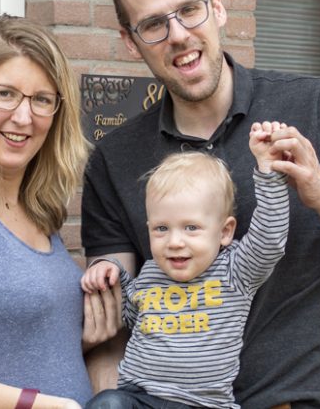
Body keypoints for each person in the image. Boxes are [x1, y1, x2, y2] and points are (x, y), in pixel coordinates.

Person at [81, 0, 320, 409]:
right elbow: (114, 323)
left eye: (189, 10)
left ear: (217, 7)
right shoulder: (114, 158)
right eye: (154, 25)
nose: (179, 35)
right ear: (130, 41)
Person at [0, 15, 120, 409]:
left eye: (42, 100)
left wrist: (82, 337)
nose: (24, 117)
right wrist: (38, 404)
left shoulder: (38, 212)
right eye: (5, 94)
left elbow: (6, 342)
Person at [82, 121, 289, 409]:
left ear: (225, 231)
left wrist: (268, 170)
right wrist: (112, 274)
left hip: (203, 404)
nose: (174, 242)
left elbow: (270, 238)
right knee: (106, 403)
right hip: (139, 399)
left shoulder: (234, 271)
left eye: (191, 228)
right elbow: (130, 315)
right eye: (161, 229)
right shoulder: (152, 271)